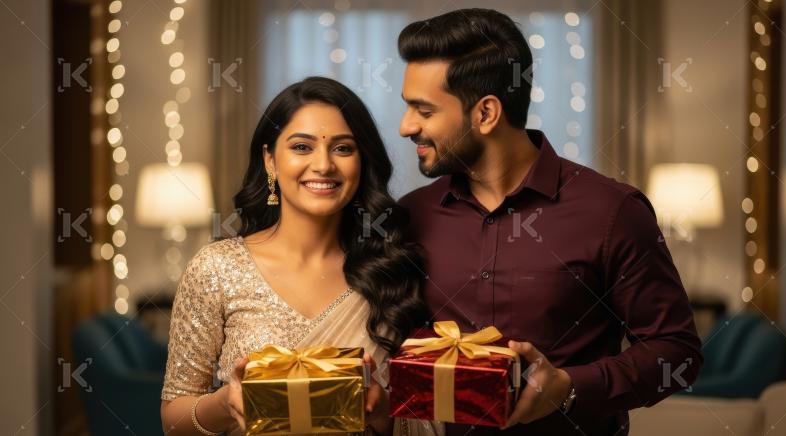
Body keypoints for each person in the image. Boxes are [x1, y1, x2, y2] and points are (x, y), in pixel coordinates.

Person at [396, 8, 703, 436]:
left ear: (485, 113)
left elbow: (678, 353)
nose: (405, 126)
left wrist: (571, 387)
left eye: (423, 110)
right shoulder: (410, 216)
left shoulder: (613, 212)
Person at [160, 76, 435, 435]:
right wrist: (226, 403)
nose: (323, 165)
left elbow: (425, 416)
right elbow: (173, 419)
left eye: (343, 148)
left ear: (362, 162)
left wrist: (383, 412)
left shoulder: (392, 269)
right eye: (302, 147)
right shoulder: (216, 269)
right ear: (270, 160)